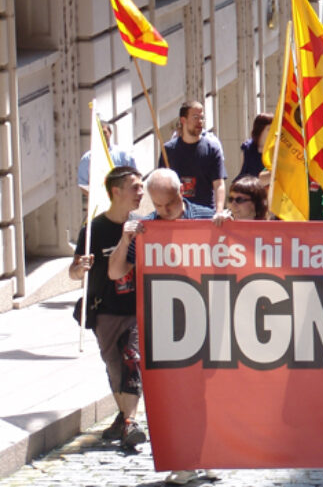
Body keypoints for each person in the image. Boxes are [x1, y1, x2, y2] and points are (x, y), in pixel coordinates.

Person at [108, 168, 214, 486]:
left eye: (168, 203)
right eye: (157, 204)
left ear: (182, 192)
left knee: (204, 395)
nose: (163, 211)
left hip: (207, 319)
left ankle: (207, 456)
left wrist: (226, 225)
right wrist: (126, 238)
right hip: (164, 326)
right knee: (175, 397)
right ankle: (184, 460)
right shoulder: (147, 228)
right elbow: (115, 272)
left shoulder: (205, 218)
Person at [69, 166, 147, 449]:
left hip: (135, 308)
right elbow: (74, 273)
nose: (141, 192)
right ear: (116, 191)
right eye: (135, 187)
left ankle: (130, 422)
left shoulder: (143, 225)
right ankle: (124, 418)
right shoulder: (94, 230)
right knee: (114, 366)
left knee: (132, 358)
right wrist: (80, 268)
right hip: (104, 309)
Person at [160, 101, 227, 213]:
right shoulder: (168, 150)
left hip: (205, 213)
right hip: (178, 213)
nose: (200, 121)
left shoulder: (212, 149)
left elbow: (219, 184)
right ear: (183, 120)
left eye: (202, 117)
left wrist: (219, 211)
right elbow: (161, 185)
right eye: (195, 117)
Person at [77, 121, 137, 193]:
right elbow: (83, 184)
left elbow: (134, 178)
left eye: (104, 132)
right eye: (98, 133)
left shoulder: (123, 155)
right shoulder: (87, 159)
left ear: (110, 133)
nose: (101, 136)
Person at [235, 112, 273, 181]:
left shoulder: (277, 150)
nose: (272, 133)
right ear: (260, 130)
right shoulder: (248, 148)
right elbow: (243, 172)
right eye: (269, 129)